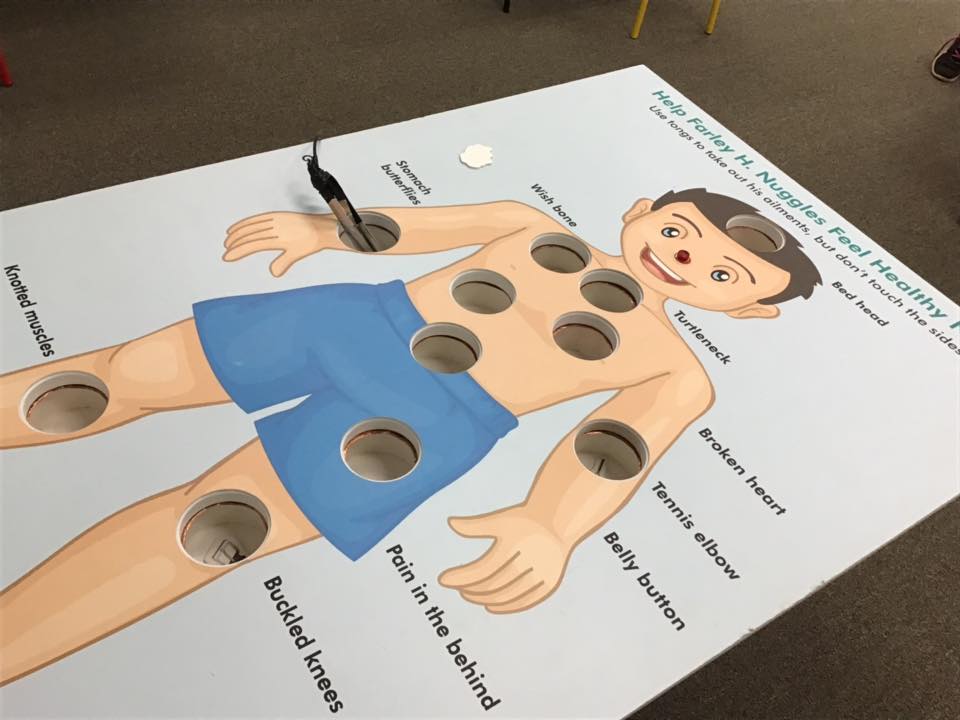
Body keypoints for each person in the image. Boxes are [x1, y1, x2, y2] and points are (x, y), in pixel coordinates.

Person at [0, 189, 820, 685]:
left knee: (209, 525)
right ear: (641, 212)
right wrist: (322, 231)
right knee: (120, 376)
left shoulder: (677, 370)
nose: (685, 261)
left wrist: (551, 525)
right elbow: (408, 227)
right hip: (355, 322)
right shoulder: (525, 222)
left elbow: (607, 450)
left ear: (749, 312)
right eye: (679, 233)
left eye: (724, 276)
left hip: (437, 423)